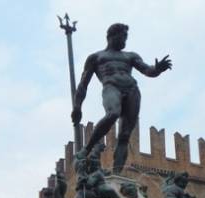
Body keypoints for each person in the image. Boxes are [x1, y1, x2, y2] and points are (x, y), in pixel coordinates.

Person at [71, 23, 172, 173]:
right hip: (111, 87)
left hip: (132, 90)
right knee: (113, 114)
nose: (125, 40)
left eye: (126, 37)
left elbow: (147, 70)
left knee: (125, 135)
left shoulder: (130, 56)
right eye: (122, 36)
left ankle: (117, 175)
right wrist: (77, 107)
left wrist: (157, 69)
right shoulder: (96, 57)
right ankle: (87, 149)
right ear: (111, 36)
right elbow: (82, 85)